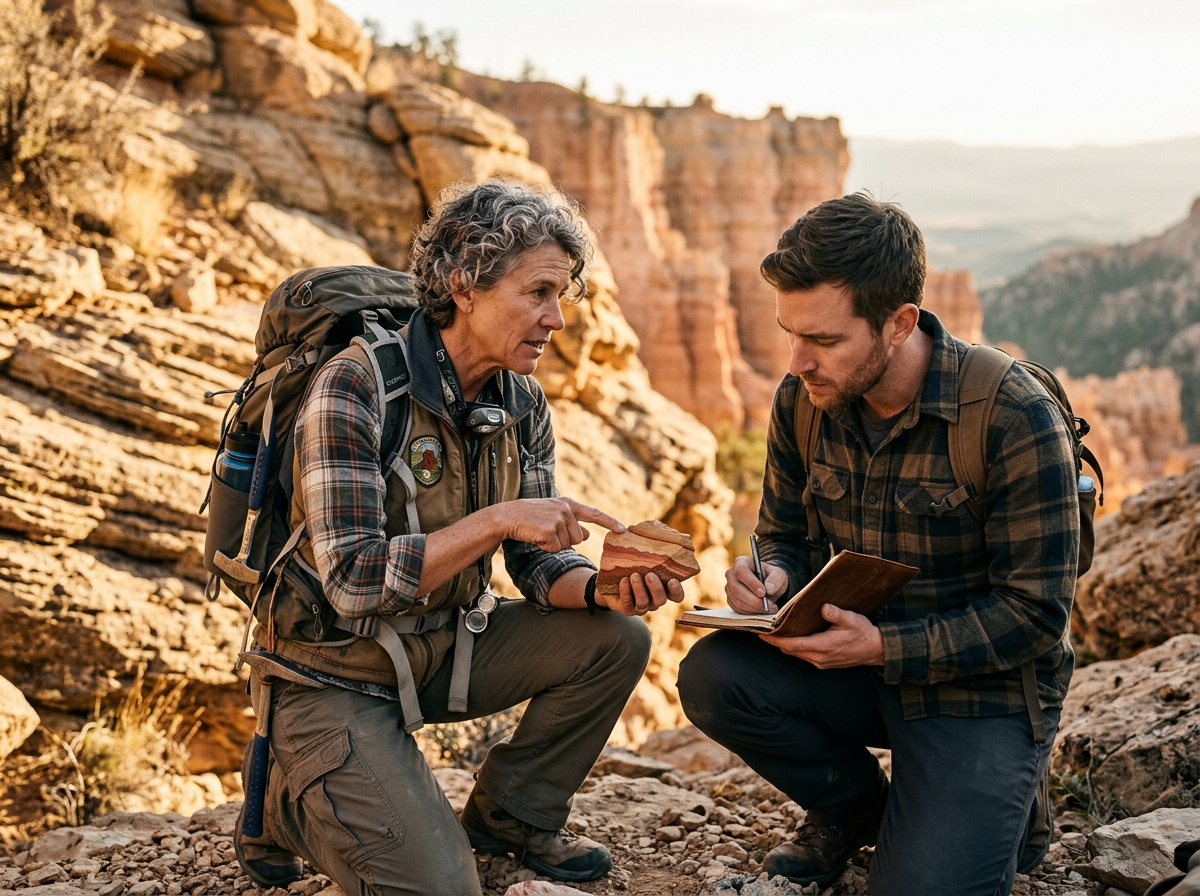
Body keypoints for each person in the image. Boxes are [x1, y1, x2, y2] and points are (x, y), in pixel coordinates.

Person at [234, 180, 685, 896]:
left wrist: (599, 587)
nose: (557, 319)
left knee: (616, 638)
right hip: (334, 672)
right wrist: (497, 519)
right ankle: (289, 801)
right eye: (537, 292)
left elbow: (537, 562)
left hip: (446, 645)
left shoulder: (521, 399)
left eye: (562, 295)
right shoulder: (354, 387)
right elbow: (351, 581)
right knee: (442, 891)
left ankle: (510, 818)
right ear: (462, 284)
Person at [677, 193, 1080, 895]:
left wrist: (882, 647)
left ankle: (1007, 795)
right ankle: (857, 811)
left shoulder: (1012, 415)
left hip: (976, 690)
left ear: (898, 324)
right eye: (790, 334)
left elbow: (1037, 615)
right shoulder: (803, 397)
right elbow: (784, 533)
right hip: (854, 668)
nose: (798, 361)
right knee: (714, 676)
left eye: (825, 341)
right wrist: (770, 577)